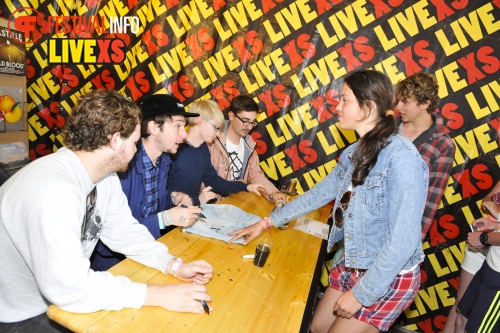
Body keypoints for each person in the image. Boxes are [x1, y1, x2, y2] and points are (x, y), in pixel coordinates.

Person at [229, 69, 429, 333]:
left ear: (367, 107)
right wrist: (266, 222)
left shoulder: (402, 157)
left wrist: (361, 295)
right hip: (354, 260)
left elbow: (402, 243)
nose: (337, 105)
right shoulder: (354, 152)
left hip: (388, 275)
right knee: (318, 327)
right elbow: (318, 194)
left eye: (345, 100)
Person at [0, 90, 213, 332]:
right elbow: (68, 287)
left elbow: (125, 233)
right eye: (134, 142)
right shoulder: (54, 190)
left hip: (55, 299)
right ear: (115, 141)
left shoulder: (105, 178)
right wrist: (158, 294)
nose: (136, 151)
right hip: (19, 314)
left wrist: (173, 265)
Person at [91, 94, 203, 271]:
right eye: (178, 126)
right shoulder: (121, 166)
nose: (184, 135)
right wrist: (165, 219)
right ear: (153, 127)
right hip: (114, 266)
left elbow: (148, 204)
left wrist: (172, 197)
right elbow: (109, 238)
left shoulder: (163, 160)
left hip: (147, 253)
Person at [168, 99, 265, 205]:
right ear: (200, 121)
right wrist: (198, 201)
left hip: (191, 212)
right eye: (216, 128)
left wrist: (246, 187)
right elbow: (163, 197)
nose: (218, 134)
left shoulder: (203, 149)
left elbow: (214, 181)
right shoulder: (173, 149)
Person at [394, 72, 456, 239]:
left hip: (398, 231)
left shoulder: (443, 145)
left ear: (425, 104)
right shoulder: (387, 128)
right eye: (398, 100)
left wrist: (412, 244)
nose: (398, 107)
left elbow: (430, 199)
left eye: (405, 102)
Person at [208, 95, 288, 204]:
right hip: (212, 206)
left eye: (252, 122)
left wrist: (273, 192)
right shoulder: (212, 141)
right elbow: (206, 181)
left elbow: (255, 174)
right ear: (231, 116)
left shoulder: (249, 145)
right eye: (245, 121)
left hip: (236, 203)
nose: (249, 127)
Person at [444, 180, 500, 333]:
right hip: (486, 245)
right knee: (462, 308)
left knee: (477, 325)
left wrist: (484, 237)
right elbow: (486, 201)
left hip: (490, 247)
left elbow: (490, 203)